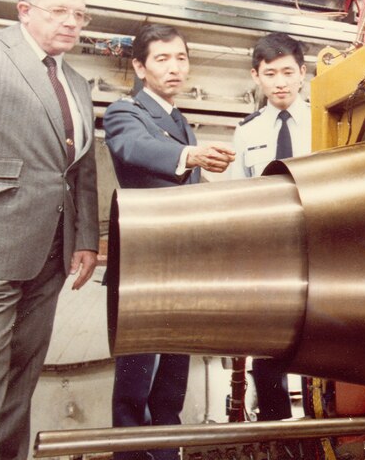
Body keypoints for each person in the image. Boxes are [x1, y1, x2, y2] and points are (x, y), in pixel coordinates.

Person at [103, 23, 235, 460]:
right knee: (135, 388)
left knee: (171, 384)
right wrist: (189, 156)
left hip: (181, 269)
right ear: (140, 67)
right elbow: (132, 149)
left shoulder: (181, 121)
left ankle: (166, 454)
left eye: (180, 57)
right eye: (162, 59)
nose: (174, 67)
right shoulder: (127, 112)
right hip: (145, 269)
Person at [0, 0, 99, 460]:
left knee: (22, 377)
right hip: (0, 242)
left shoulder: (76, 82)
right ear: (25, 10)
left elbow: (80, 169)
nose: (71, 23)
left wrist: (85, 238)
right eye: (59, 11)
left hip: (52, 254)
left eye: (79, 15)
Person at [231, 32, 310, 420]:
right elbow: (237, 194)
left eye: (287, 72)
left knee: (321, 341)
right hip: (268, 253)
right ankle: (275, 425)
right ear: (256, 76)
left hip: (320, 245)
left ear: (302, 74)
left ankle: (322, 426)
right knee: (269, 344)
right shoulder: (247, 132)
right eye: (270, 73)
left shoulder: (325, 119)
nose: (280, 82)